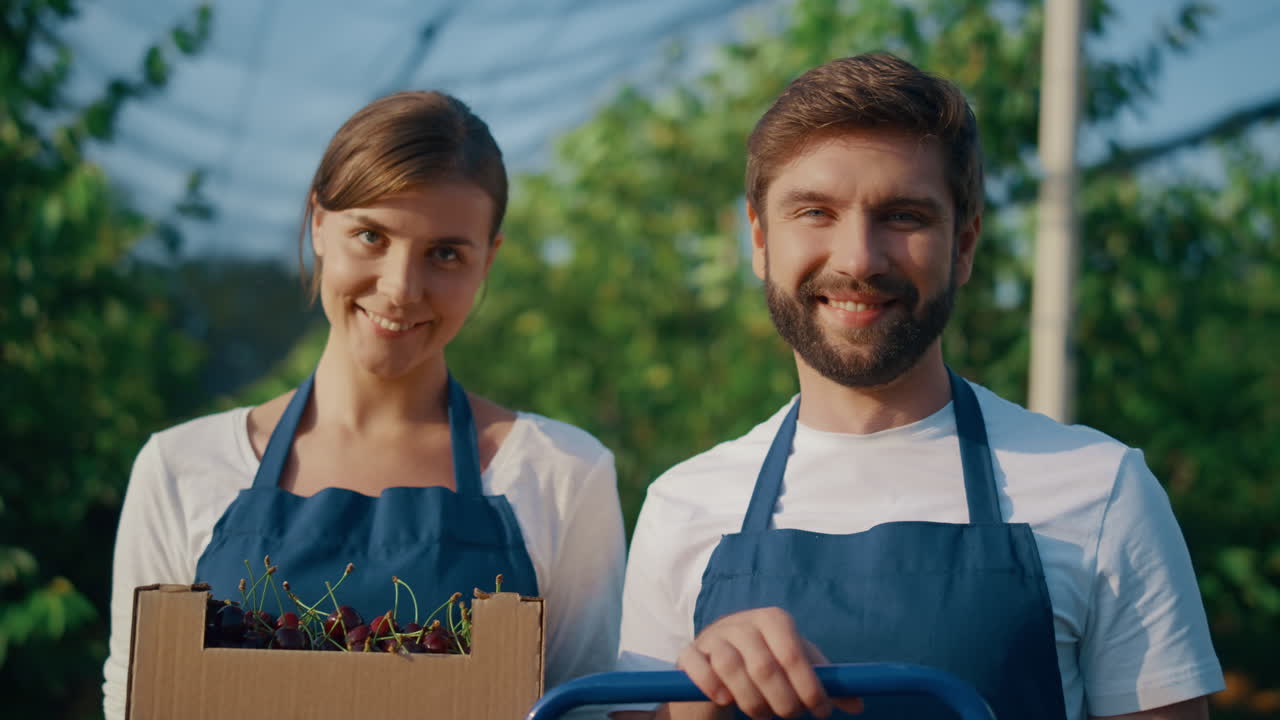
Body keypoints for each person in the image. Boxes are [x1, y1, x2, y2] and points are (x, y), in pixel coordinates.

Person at [614, 54, 1223, 720]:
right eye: (815, 211)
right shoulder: (681, 505)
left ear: (963, 246)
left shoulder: (1103, 491)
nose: (858, 260)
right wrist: (693, 705)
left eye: (903, 217)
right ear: (760, 241)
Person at [103, 91, 626, 719]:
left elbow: (589, 710)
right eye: (371, 235)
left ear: (489, 259)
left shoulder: (562, 472)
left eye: (446, 254)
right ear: (318, 224)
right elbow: (138, 701)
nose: (401, 289)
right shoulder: (181, 467)